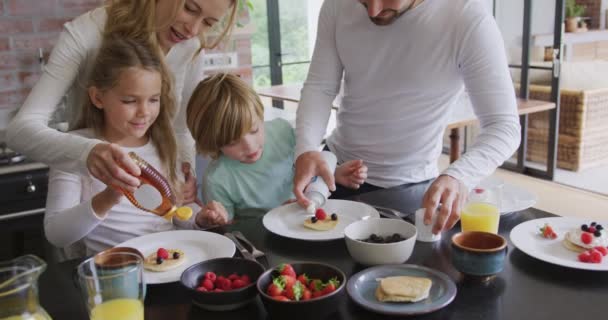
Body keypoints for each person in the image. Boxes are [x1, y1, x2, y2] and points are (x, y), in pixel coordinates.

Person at [293, 0, 521, 234]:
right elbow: (320, 87)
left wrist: (458, 176)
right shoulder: (337, 5)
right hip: (334, 174)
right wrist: (306, 149)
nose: (373, 10)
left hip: (411, 191)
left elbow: (503, 126)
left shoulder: (467, 18)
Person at [7, 0, 238, 198]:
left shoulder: (190, 47)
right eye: (189, 8)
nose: (193, 29)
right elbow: (19, 131)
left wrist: (185, 172)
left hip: (155, 205)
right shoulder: (86, 33)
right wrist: (88, 152)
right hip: (90, 200)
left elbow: (180, 129)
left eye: (208, 23)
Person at [44, 38, 228, 254]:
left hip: (170, 263)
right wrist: (109, 197)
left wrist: (200, 219)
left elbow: (173, 214)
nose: (144, 112)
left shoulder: (166, 145)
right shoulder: (74, 149)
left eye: (153, 100)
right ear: (98, 97)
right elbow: (57, 234)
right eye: (130, 101)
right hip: (116, 273)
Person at [186, 73, 367, 220]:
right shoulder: (217, 179)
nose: (249, 147)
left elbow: (306, 170)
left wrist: (334, 174)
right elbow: (232, 231)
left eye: (254, 130)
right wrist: (215, 219)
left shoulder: (283, 132)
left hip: (305, 221)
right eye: (232, 142)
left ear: (261, 115)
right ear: (213, 142)